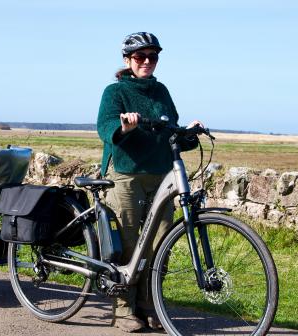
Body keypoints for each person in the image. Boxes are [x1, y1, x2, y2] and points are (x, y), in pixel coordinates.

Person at [96, 32, 203, 332]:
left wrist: (188, 133)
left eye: (152, 57)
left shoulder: (161, 91)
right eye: (140, 57)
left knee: (160, 242)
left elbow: (168, 129)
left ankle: (149, 304)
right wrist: (123, 127)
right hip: (126, 173)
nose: (147, 62)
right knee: (130, 243)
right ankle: (123, 308)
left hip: (161, 174)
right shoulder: (114, 92)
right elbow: (105, 126)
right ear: (127, 60)